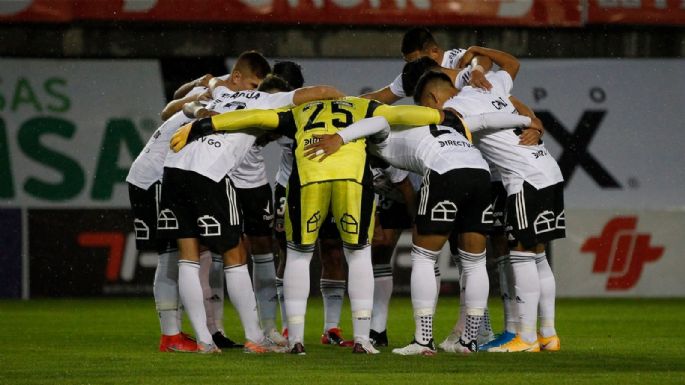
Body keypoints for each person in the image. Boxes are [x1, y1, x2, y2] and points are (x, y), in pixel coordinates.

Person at [170, 97, 451, 354]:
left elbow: (254, 117)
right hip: (351, 177)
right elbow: (401, 113)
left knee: (299, 255)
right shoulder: (363, 106)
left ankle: (296, 339)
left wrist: (205, 124)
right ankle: (363, 339)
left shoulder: (298, 111)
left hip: (309, 175)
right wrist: (442, 116)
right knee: (358, 254)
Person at [302, 105, 534, 355]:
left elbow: (376, 121)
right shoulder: (451, 123)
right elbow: (486, 118)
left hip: (444, 172)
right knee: (474, 262)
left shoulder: (384, 134)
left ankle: (424, 341)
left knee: (424, 257)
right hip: (480, 174)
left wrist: (339, 137)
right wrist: (528, 120)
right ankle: (469, 342)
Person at [414, 46, 565, 352]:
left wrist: (528, 123)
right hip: (546, 167)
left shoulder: (459, 106)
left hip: (523, 175)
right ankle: (547, 333)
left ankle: (526, 337)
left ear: (433, 97)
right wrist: (532, 121)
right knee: (537, 255)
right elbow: (511, 64)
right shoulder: (490, 84)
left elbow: (468, 124)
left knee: (521, 256)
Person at [361, 27, 492, 105]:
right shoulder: (414, 72)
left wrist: (477, 70)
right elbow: (376, 98)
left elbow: (482, 58)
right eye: (408, 62)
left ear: (434, 51)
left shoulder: (455, 59)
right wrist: (346, 103)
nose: (413, 65)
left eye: (416, 60)